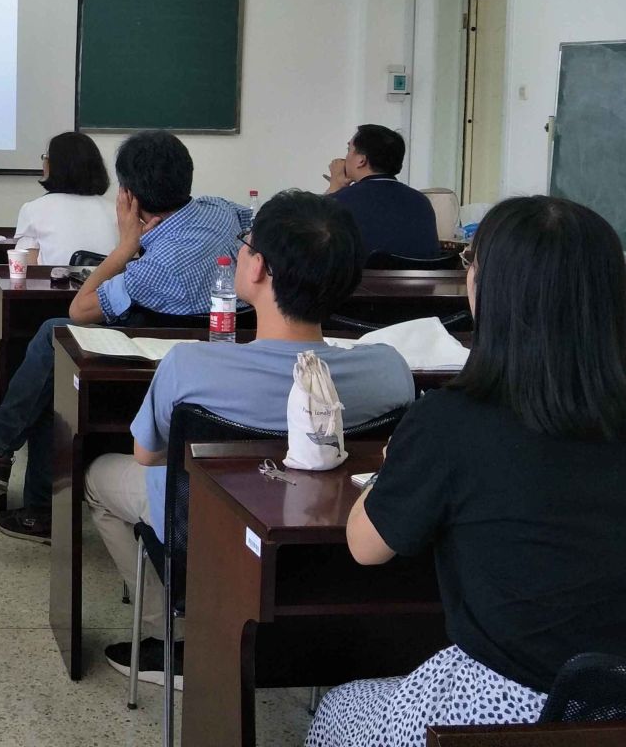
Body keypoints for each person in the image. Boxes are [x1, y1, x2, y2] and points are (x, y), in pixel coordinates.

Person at [307, 197, 626, 747]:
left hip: (497, 715)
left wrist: (392, 467)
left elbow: (365, 546)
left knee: (337, 709)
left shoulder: (451, 420)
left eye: (471, 260)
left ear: (491, 289)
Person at [87, 191, 416, 684]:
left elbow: (147, 454)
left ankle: (174, 642)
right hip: (329, 550)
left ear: (259, 268)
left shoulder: (189, 365)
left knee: (98, 478)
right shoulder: (390, 371)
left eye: (245, 244)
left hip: (206, 529)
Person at [0, 131, 251, 544]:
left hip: (140, 380)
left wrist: (126, 246)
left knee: (55, 338)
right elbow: (255, 223)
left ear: (128, 195)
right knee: (53, 358)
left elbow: (80, 309)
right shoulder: (219, 210)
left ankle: (0, 456)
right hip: (212, 360)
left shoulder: (151, 270)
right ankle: (9, 470)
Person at [323, 124, 439, 260]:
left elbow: (312, 240)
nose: (345, 157)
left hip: (363, 274)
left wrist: (335, 186)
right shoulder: (422, 202)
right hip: (420, 275)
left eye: (349, 149)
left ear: (361, 160)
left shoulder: (339, 203)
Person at [14, 131, 117, 266]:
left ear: (54, 166)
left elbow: (27, 269)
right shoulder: (117, 211)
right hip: (110, 280)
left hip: (55, 280)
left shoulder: (33, 209)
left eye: (46, 158)